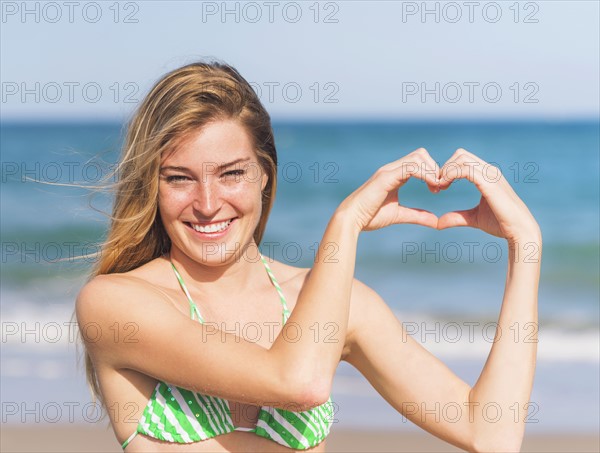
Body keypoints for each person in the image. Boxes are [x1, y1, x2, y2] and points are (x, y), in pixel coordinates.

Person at [76, 61, 542, 452]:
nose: (207, 202)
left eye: (231, 173)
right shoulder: (116, 304)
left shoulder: (330, 302)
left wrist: (526, 246)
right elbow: (298, 383)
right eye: (179, 178)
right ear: (151, 186)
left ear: (264, 174)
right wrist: (346, 224)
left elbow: (490, 430)